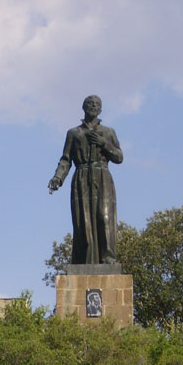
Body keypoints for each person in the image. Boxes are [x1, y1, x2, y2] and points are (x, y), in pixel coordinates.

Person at [48, 95, 123, 264]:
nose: (93, 106)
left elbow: (119, 157)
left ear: (100, 109)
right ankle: (84, 261)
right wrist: (57, 178)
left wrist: (104, 143)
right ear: (84, 107)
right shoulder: (74, 133)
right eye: (90, 103)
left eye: (97, 104)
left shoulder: (108, 132)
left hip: (102, 176)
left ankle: (108, 258)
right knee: (83, 222)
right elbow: (66, 159)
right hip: (81, 178)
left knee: (104, 218)